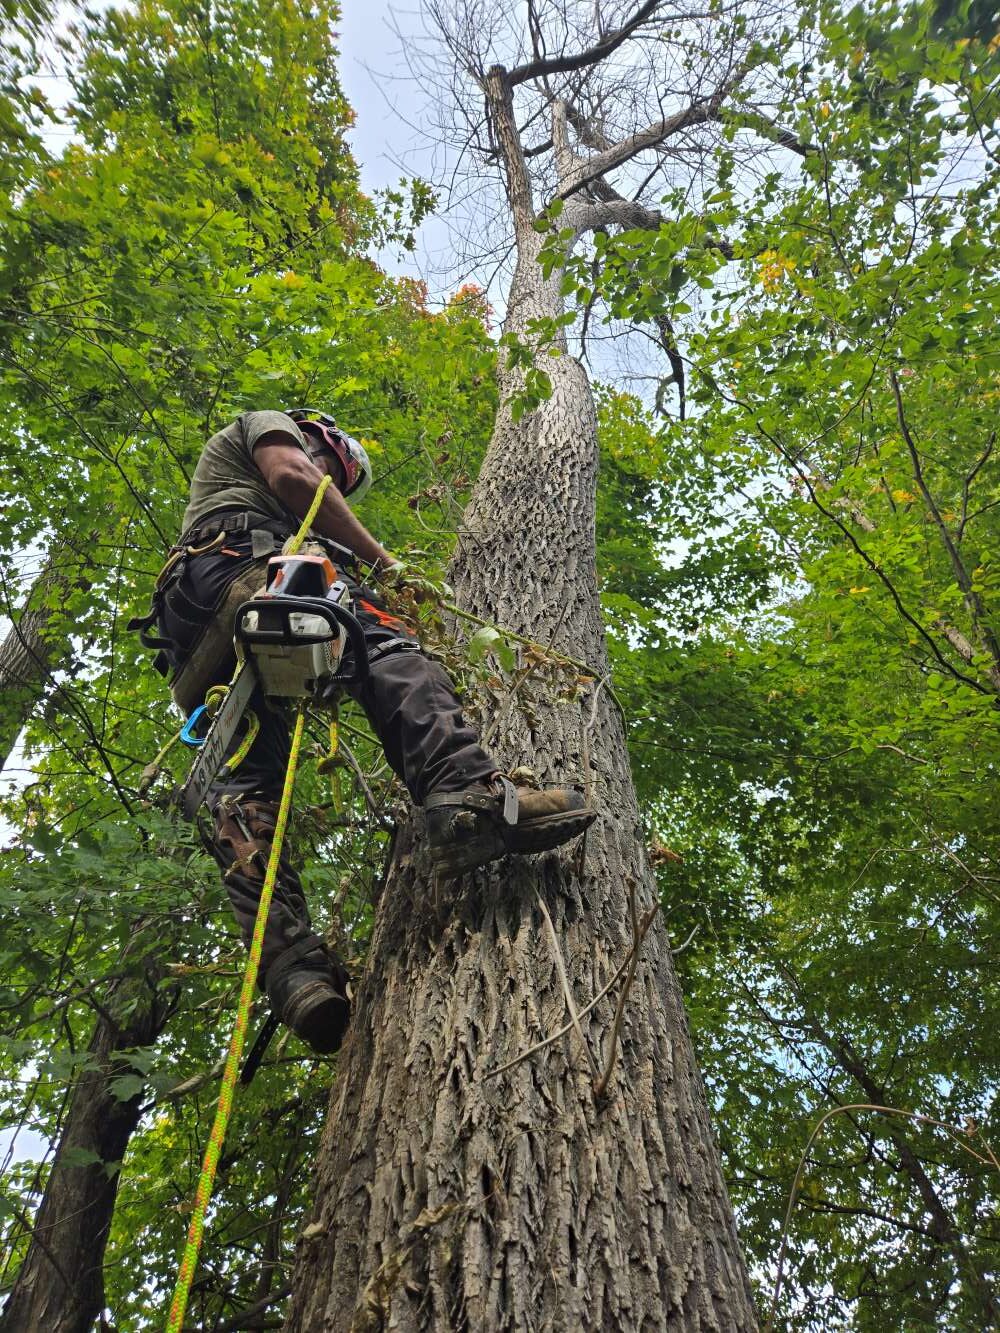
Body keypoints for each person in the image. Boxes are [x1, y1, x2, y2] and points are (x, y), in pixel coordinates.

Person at [133, 409, 594, 1055]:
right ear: (316, 436)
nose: (331, 483)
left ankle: (293, 970)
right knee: (385, 647)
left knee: (247, 783)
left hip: (197, 631)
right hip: (241, 566)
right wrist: (386, 564)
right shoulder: (266, 430)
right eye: (336, 470)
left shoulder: (279, 510)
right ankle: (468, 800)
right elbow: (295, 477)